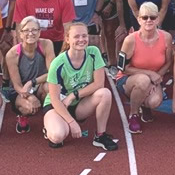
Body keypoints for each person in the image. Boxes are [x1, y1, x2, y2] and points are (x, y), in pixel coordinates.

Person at [43, 22, 118, 150]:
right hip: (59, 105)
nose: (81, 40)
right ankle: (49, 128)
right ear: (67, 39)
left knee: (105, 93)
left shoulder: (93, 52)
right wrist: (72, 123)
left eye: (84, 36)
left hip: (78, 103)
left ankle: (100, 136)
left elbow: (99, 84)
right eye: (76, 36)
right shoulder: (58, 64)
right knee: (57, 136)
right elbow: (55, 99)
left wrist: (73, 95)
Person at [118, 3, 174, 134]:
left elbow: (168, 62)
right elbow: (122, 67)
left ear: (158, 19)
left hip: (154, 78)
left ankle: (143, 104)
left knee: (155, 101)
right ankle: (134, 115)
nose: (149, 20)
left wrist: (157, 77)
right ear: (139, 20)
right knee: (143, 80)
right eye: (144, 17)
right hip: (128, 79)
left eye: (152, 17)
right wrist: (149, 74)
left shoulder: (166, 37)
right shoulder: (130, 40)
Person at [5, 16, 55, 134]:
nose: (30, 33)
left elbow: (52, 73)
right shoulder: (12, 54)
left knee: (51, 87)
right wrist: (29, 96)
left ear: (39, 32)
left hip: (39, 85)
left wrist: (32, 82)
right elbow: (17, 85)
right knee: (28, 107)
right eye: (26, 30)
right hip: (21, 90)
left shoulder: (47, 45)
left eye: (34, 30)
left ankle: (50, 118)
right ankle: (22, 116)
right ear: (20, 34)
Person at [13, 0, 77, 53]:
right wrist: (24, 52)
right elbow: (19, 27)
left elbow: (68, 29)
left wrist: (62, 54)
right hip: (32, 40)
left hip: (57, 41)